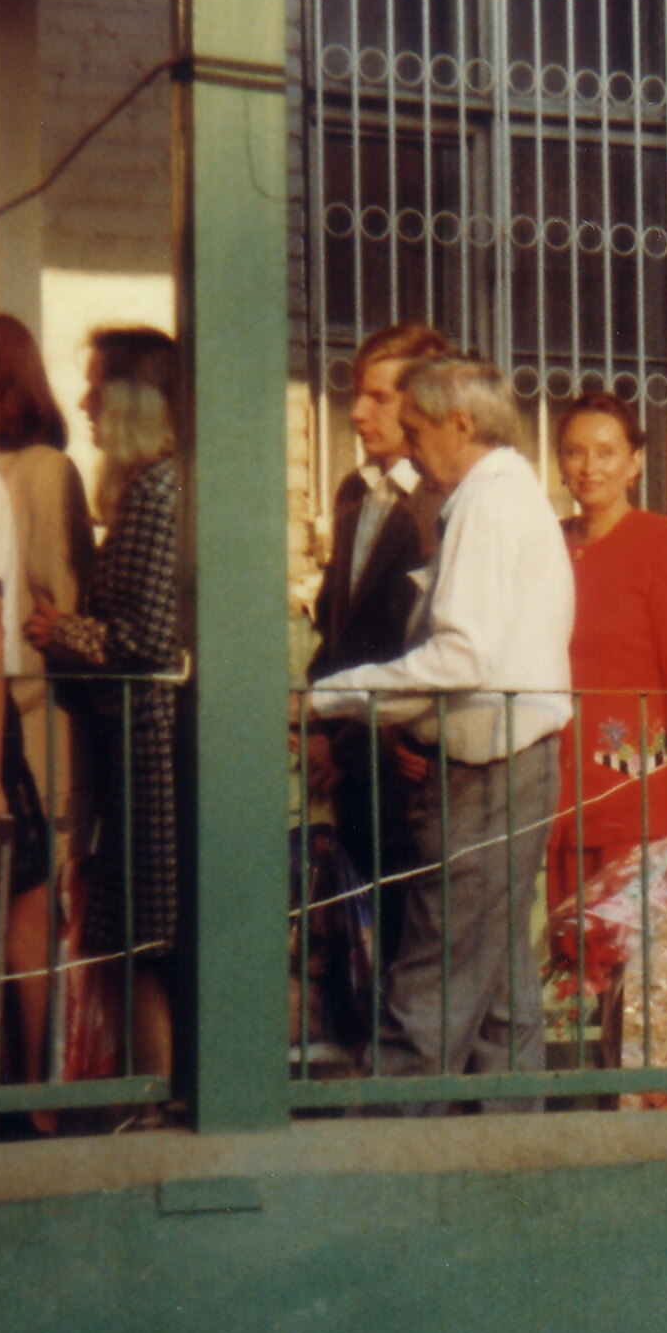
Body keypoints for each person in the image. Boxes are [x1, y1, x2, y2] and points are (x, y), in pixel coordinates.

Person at [304, 355, 574, 1100]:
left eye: (417, 430)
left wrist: (331, 696)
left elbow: (461, 655)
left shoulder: (489, 505)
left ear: (461, 424)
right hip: (504, 762)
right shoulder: (500, 496)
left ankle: (388, 1145)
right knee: (498, 992)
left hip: (488, 766)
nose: (410, 447)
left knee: (433, 977)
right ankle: (511, 1149)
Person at [31, 330, 184, 1083]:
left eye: (96, 386)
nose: (85, 403)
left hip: (153, 751)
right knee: (138, 946)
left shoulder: (159, 490)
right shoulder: (143, 488)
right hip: (135, 748)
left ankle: (157, 1096)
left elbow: (150, 637)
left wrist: (64, 630)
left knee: (149, 947)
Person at [0, 311, 93, 1093]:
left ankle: (38, 1094)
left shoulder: (44, 470)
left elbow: (60, 604)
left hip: (36, 722)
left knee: (31, 916)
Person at [305, 322, 451, 989]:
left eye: (379, 397)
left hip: (407, 762)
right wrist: (319, 731)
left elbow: (429, 642)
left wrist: (372, 738)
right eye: (356, 395)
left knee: (411, 946)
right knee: (355, 949)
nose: (358, 412)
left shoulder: (441, 502)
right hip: (350, 757)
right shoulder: (353, 492)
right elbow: (338, 626)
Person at [547, 389, 667, 922]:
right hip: (561, 785)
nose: (589, 466)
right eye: (574, 451)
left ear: (635, 463)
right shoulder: (547, 545)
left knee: (643, 966)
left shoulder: (666, 541)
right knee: (578, 955)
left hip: (645, 789)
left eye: (606, 451)